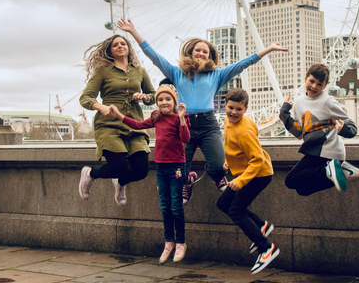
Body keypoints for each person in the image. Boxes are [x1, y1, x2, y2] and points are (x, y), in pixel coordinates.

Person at [117, 18, 288, 204]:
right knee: (176, 172)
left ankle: (215, 176)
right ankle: (188, 181)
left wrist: (268, 49)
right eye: (197, 50)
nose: (201, 53)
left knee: (219, 165)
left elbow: (243, 64)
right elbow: (154, 56)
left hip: (208, 125)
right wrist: (133, 31)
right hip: (183, 124)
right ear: (191, 53)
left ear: (209, 56)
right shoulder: (175, 73)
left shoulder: (217, 75)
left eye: (205, 51)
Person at [106, 84, 191, 264]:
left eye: (168, 99)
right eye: (160, 99)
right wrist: (120, 116)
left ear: (174, 101)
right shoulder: (156, 117)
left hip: (177, 167)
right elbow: (137, 125)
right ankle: (169, 241)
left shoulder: (180, 118)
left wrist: (182, 119)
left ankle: (181, 243)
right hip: (161, 167)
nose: (164, 102)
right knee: (164, 206)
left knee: (176, 206)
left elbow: (185, 139)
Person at [78, 34, 155, 205]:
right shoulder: (103, 71)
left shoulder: (139, 71)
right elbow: (85, 98)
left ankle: (120, 182)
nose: (120, 46)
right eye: (115, 45)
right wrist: (101, 107)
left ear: (128, 48)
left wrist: (144, 97)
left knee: (141, 170)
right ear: (110, 52)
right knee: (119, 166)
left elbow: (154, 95)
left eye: (123, 43)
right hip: (109, 125)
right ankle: (90, 174)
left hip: (134, 125)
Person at [216, 88, 279, 275]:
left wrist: (241, 180)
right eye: (230, 108)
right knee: (223, 203)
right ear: (225, 105)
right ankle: (261, 226)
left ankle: (266, 248)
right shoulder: (229, 122)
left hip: (258, 175)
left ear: (246, 109)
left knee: (235, 210)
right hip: (247, 173)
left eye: (239, 109)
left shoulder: (244, 131)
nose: (233, 113)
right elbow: (233, 146)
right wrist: (229, 161)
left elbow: (257, 159)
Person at [280, 63, 359, 196]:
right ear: (305, 79)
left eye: (319, 84)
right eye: (312, 81)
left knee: (291, 180)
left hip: (328, 150)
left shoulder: (328, 102)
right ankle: (341, 171)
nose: (314, 86)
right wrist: (284, 112)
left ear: (325, 86)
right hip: (314, 149)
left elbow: (352, 126)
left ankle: (329, 169)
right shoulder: (298, 102)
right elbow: (299, 132)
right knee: (302, 189)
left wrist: (344, 129)